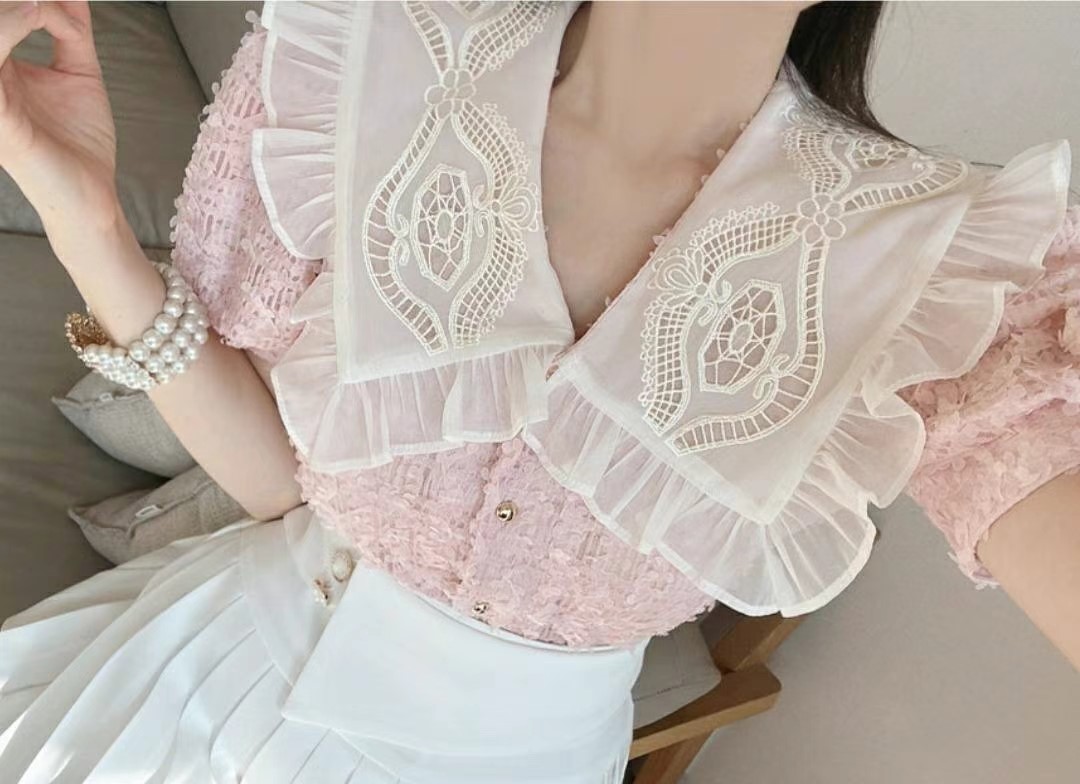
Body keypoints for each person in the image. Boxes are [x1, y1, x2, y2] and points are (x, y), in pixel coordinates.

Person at [0, 0, 1076, 781]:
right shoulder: (364, 55)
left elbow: (1030, 454)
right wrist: (81, 212)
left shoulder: (953, 268)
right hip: (195, 679)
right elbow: (283, 487)